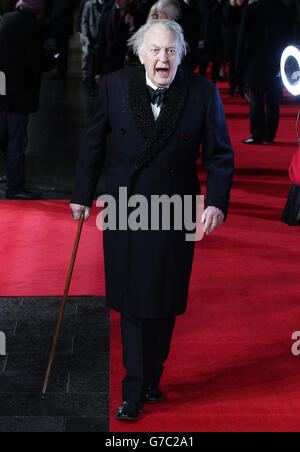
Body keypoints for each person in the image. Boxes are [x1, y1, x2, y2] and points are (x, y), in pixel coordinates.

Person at [71, 19, 234, 421]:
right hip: (127, 206)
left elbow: (219, 154)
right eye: (156, 50)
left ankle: (151, 378)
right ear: (140, 53)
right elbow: (94, 144)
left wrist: (215, 202)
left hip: (175, 209)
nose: (163, 58)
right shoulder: (115, 86)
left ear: (181, 55)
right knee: (132, 301)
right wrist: (81, 195)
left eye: (171, 51)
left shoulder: (201, 93)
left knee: (164, 299)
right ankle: (133, 389)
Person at [0, 0, 55, 199]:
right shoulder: (31, 26)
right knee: (17, 139)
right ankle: (14, 186)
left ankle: (10, 178)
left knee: (5, 135)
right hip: (20, 91)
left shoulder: (6, 19)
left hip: (3, 88)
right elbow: (36, 61)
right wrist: (53, 59)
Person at [237, 0, 288, 145]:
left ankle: (257, 135)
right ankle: (270, 134)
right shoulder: (285, 9)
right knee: (274, 98)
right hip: (278, 59)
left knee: (257, 97)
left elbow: (243, 36)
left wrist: (238, 60)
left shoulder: (253, 8)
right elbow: (291, 36)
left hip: (257, 60)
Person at [94, 0, 136, 81]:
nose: (117, 1)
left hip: (127, 64)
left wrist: (132, 26)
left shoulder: (136, 16)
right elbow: (101, 44)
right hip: (109, 65)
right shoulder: (107, 16)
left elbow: (138, 44)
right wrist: (97, 71)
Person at [48, 0, 74, 79]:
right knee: (60, 50)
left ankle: (61, 72)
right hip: (60, 27)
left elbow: (60, 9)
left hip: (62, 27)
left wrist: (50, 18)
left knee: (62, 51)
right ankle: (60, 71)